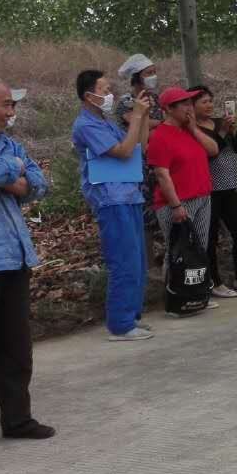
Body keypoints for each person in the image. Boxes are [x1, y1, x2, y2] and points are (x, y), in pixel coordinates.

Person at [0, 77, 56, 461]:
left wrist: (5, 174)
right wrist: (11, 171)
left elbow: (37, 184)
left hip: (13, 258)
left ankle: (18, 419)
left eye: (13, 105)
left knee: (15, 348)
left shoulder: (8, 144)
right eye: (5, 104)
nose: (11, 112)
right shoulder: (10, 153)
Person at [72, 69, 155, 342]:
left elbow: (139, 145)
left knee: (137, 260)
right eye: (104, 90)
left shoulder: (105, 123)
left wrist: (142, 117)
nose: (110, 95)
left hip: (129, 195)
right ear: (89, 96)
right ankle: (120, 325)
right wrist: (137, 117)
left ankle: (131, 316)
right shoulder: (86, 126)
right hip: (110, 199)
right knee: (123, 260)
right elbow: (123, 151)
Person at [145, 86, 220, 307]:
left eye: (190, 103)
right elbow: (162, 174)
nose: (190, 108)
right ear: (169, 109)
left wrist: (194, 128)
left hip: (202, 196)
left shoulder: (190, 130)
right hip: (178, 202)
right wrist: (176, 205)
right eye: (184, 104)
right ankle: (175, 296)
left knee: (199, 249)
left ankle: (197, 292)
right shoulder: (159, 136)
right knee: (177, 250)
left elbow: (213, 150)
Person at [190, 87, 237, 298]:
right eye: (203, 102)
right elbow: (209, 153)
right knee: (210, 237)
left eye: (210, 101)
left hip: (229, 187)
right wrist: (221, 133)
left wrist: (232, 131)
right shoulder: (193, 130)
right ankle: (214, 282)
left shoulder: (219, 123)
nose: (209, 105)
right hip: (209, 189)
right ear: (192, 106)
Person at [115, 52, 163, 128]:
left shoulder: (155, 97)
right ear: (136, 77)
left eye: (154, 72)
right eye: (149, 73)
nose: (153, 76)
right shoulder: (126, 101)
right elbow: (138, 123)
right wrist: (162, 123)